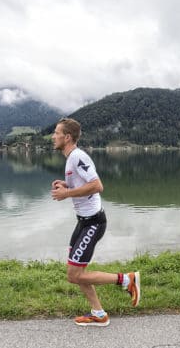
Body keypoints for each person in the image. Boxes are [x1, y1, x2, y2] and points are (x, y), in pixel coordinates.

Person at [51, 117, 140, 327]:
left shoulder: (77, 156)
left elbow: (97, 185)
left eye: (56, 133)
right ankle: (99, 314)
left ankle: (127, 280)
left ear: (67, 137)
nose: (53, 136)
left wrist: (67, 193)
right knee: (77, 273)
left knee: (74, 275)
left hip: (93, 223)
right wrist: (66, 184)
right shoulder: (71, 158)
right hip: (83, 222)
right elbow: (84, 184)